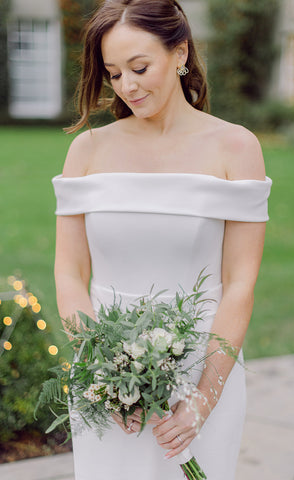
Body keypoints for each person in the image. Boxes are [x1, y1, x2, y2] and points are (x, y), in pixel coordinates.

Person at [52, 0, 272, 479]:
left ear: (180, 53)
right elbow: (69, 273)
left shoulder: (236, 148)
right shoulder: (86, 151)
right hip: (105, 378)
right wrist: (104, 375)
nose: (127, 86)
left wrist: (203, 399)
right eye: (113, 73)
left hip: (201, 366)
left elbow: (239, 283)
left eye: (139, 67)